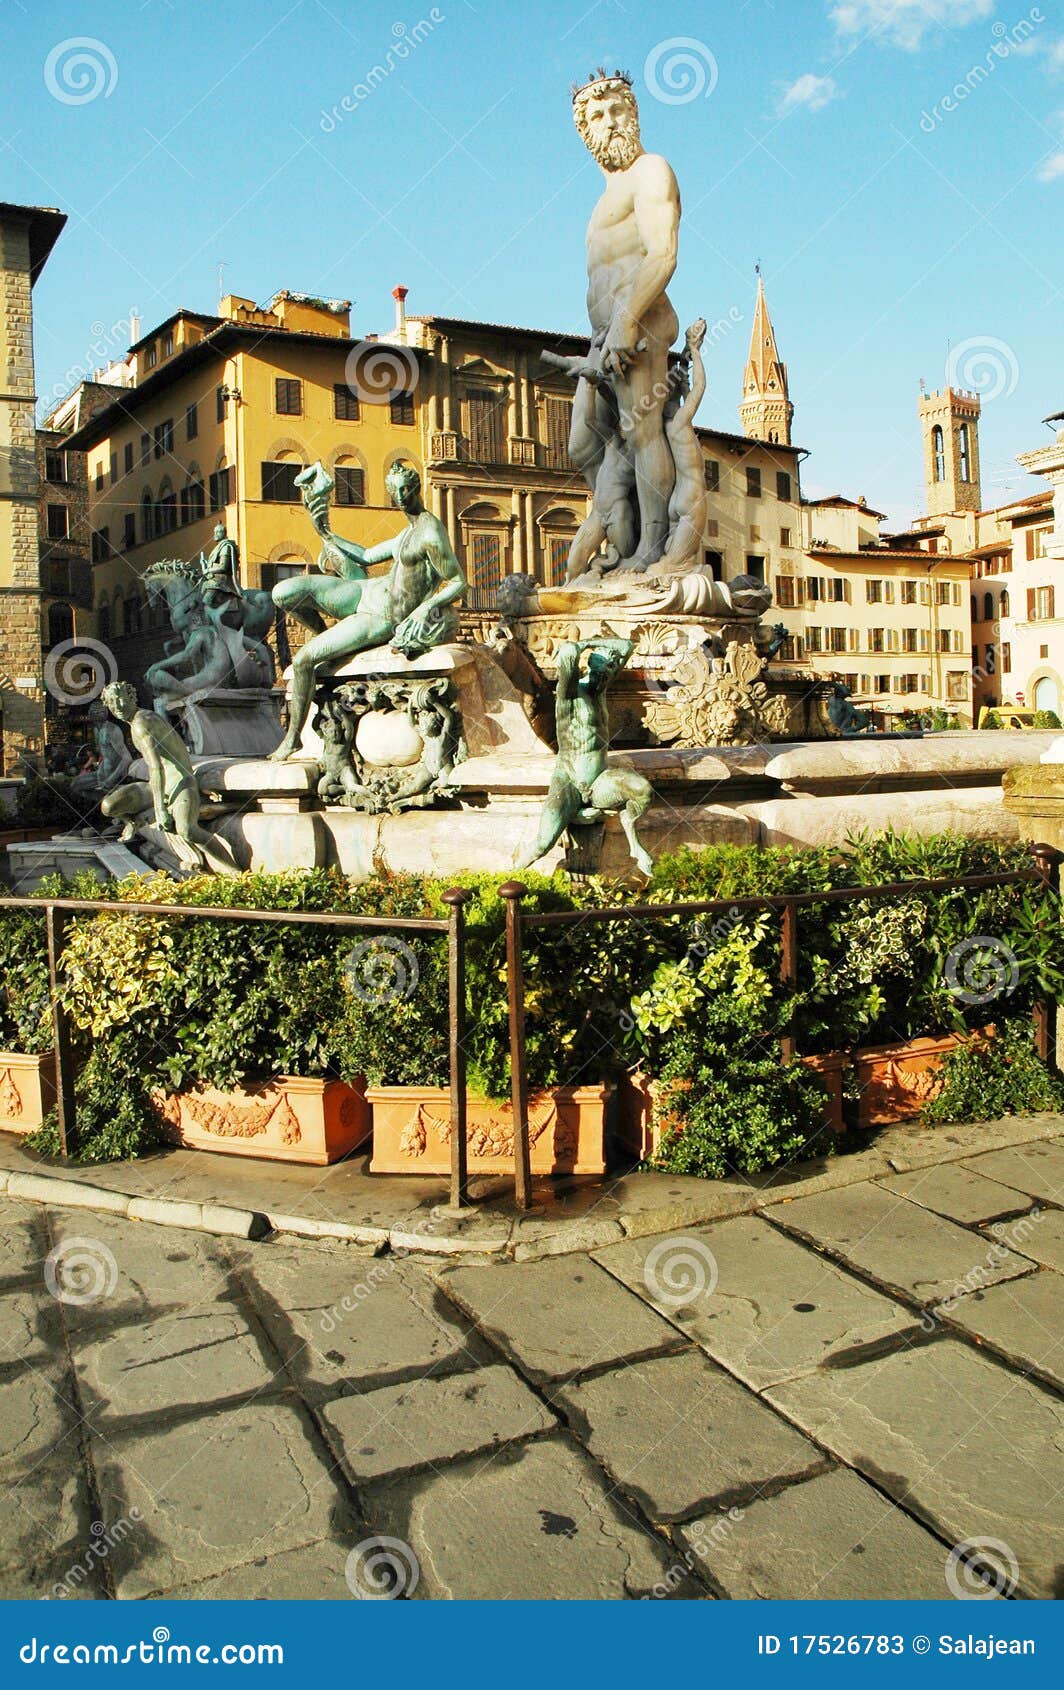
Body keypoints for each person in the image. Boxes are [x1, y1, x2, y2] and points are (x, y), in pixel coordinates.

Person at [269, 460, 466, 761]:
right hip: (367, 590)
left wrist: (424, 609)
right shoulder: (407, 532)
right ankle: (329, 639)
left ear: (416, 489)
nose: (399, 497)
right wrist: (325, 530)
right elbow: (364, 555)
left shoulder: (430, 532)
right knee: (283, 592)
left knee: (304, 660)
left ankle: (292, 739)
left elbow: (458, 581)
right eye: (394, 492)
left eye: (404, 490)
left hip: (383, 616)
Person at [572, 70, 680, 570]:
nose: (608, 121)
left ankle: (653, 549)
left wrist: (626, 321)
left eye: (616, 110)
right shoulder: (598, 202)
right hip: (601, 336)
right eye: (596, 116)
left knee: (642, 431)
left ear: (633, 114)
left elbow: (662, 255)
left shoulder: (652, 170)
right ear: (585, 131)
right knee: (582, 442)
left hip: (639, 325)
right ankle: (622, 534)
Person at [516, 638, 654, 876]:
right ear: (591, 666)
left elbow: (626, 647)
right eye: (604, 669)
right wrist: (582, 645)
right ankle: (509, 879)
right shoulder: (569, 694)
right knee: (543, 843)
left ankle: (633, 840)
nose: (608, 674)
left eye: (610, 669)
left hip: (600, 780)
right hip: (569, 781)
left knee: (643, 790)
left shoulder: (599, 690)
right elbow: (568, 653)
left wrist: (595, 644)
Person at [99, 681, 239, 873]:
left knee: (187, 830)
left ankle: (235, 872)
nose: (119, 707)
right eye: (113, 703)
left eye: (121, 699)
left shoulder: (142, 723)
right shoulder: (135, 722)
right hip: (157, 786)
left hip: (180, 782)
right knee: (109, 806)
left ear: (131, 697)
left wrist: (160, 809)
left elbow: (157, 769)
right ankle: (131, 822)